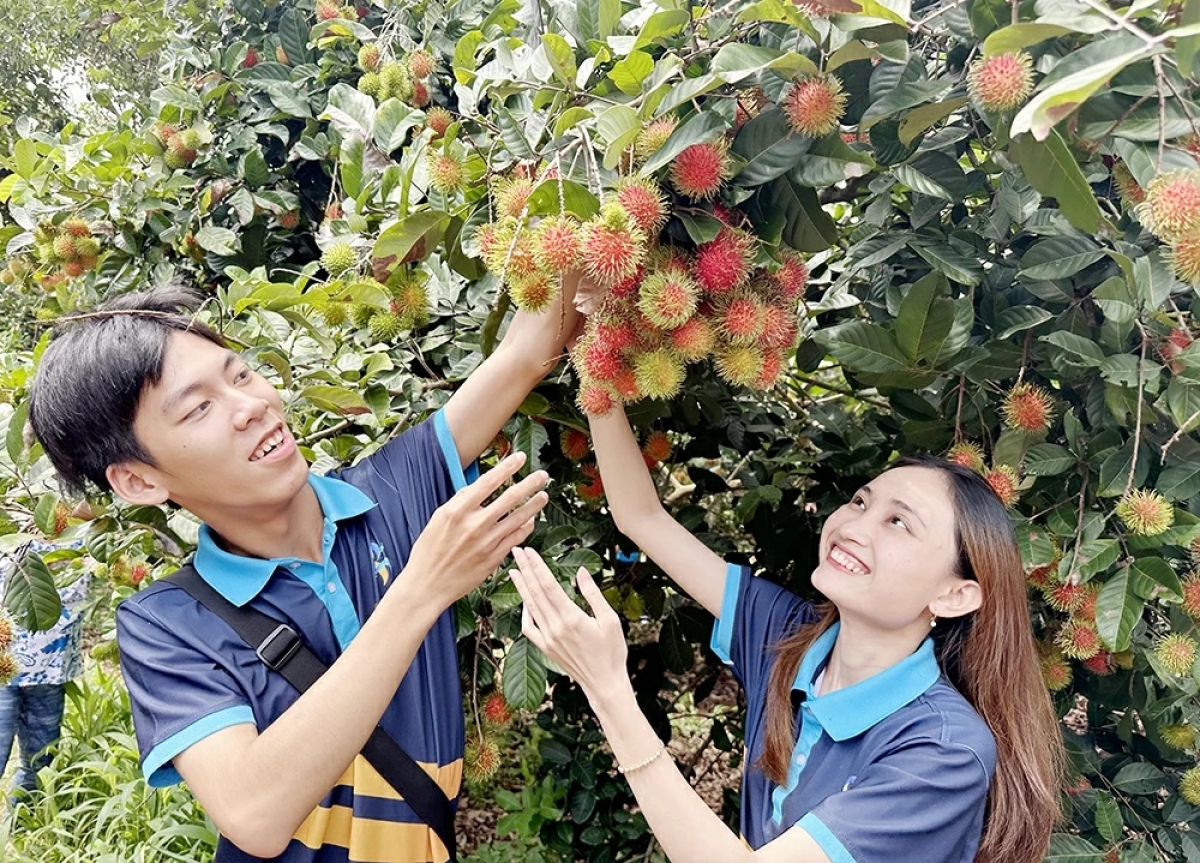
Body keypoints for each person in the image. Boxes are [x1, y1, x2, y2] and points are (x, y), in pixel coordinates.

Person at [26, 282, 580, 862]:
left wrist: (585, 214)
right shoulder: (166, 625)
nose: (251, 406)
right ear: (140, 481)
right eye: (198, 408)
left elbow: (528, 348)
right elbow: (254, 814)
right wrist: (422, 589)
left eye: (239, 375)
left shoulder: (393, 491)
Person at [509, 405, 1066, 863]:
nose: (853, 527)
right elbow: (642, 516)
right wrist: (600, 360)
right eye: (860, 502)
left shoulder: (943, 751)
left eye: (898, 522)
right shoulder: (790, 638)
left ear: (954, 594)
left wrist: (609, 692)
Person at [0, 538, 90, 800]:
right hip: (6, 664)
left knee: (39, 762)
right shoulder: (12, 522)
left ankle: (21, 831)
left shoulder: (85, 533)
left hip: (52, 668)